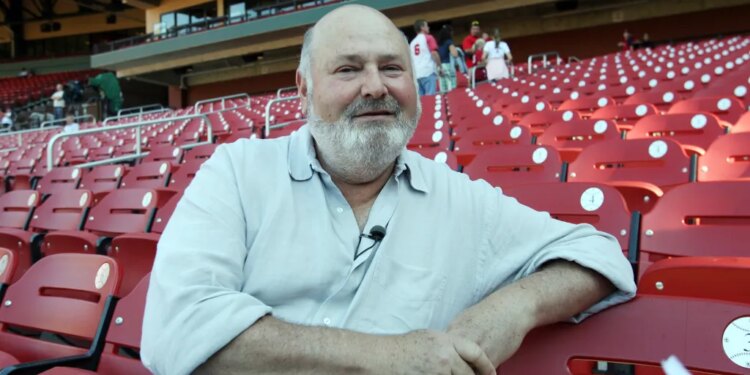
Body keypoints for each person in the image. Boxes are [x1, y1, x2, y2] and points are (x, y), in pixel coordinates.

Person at [141, 5, 636, 375]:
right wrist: (388, 357)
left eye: (392, 68)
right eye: (348, 69)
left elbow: (600, 256)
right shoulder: (236, 172)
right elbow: (178, 327)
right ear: (303, 89)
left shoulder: (461, 199)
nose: (375, 86)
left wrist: (515, 307)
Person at [409, 19, 441, 96]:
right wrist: (440, 67)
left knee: (422, 103)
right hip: (428, 71)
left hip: (416, 74)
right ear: (422, 27)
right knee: (430, 100)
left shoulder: (412, 43)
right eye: (427, 25)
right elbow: (434, 53)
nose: (428, 27)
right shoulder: (428, 37)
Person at [437, 25, 459, 92]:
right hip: (447, 66)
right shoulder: (449, 42)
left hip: (440, 66)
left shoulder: (438, 44)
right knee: (451, 88)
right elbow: (454, 54)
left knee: (443, 89)